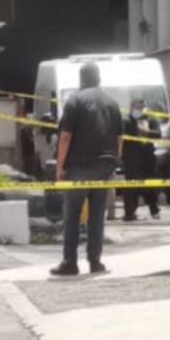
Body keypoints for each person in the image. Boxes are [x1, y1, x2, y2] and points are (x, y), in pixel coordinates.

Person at [51, 63, 123, 276]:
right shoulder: (112, 102)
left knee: (72, 215)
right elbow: (120, 138)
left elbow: (65, 137)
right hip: (104, 166)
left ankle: (70, 262)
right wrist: (115, 163)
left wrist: (60, 167)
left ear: (81, 79)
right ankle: (95, 261)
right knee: (97, 215)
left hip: (79, 167)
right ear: (99, 78)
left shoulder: (75, 101)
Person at [122, 97, 162, 221]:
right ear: (132, 106)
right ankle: (130, 212)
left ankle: (154, 210)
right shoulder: (126, 119)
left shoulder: (151, 118)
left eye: (140, 106)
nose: (138, 108)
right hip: (132, 158)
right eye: (136, 106)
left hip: (148, 157)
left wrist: (147, 131)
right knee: (132, 186)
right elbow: (122, 136)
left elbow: (158, 134)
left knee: (151, 185)